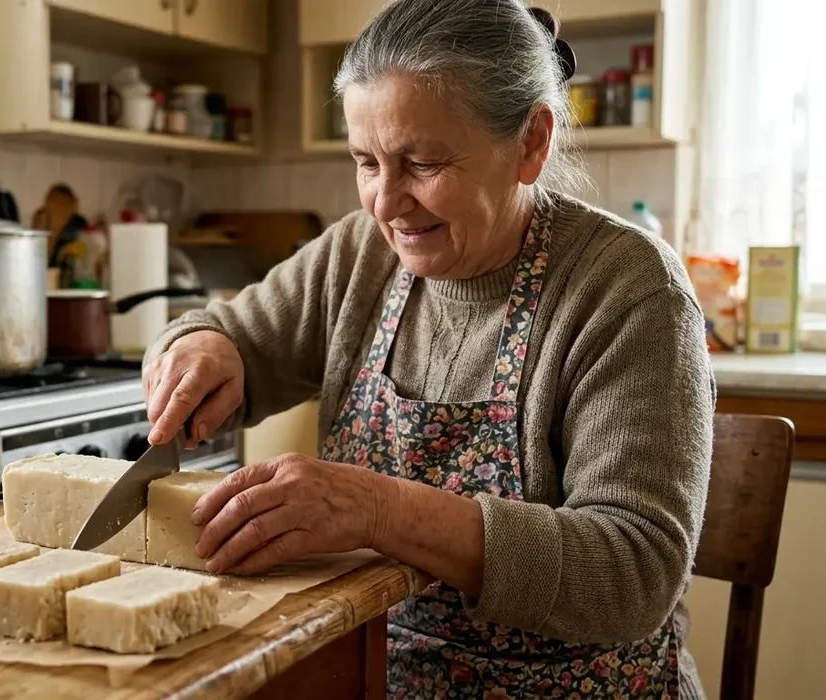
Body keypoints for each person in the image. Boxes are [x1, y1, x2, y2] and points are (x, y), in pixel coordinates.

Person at [141, 0, 713, 697]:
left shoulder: (627, 290)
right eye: (365, 162)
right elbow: (228, 333)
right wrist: (199, 345)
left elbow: (632, 573)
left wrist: (378, 510)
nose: (385, 202)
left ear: (530, 143)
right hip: (367, 675)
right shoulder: (359, 256)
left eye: (422, 163)